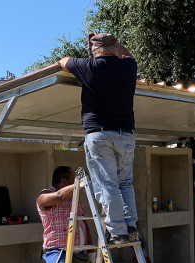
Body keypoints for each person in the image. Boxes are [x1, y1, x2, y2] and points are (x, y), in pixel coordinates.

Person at [60, 33, 139, 245]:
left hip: (100, 134)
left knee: (107, 184)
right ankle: (130, 225)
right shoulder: (128, 68)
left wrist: (91, 46)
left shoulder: (89, 66)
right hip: (126, 135)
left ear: (95, 51)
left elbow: (63, 61)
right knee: (125, 183)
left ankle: (118, 232)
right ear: (114, 48)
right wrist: (113, 43)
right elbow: (127, 54)